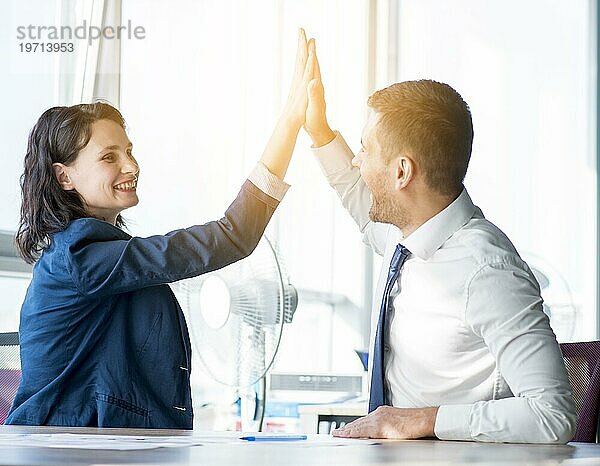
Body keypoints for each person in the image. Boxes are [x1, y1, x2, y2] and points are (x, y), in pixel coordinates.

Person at [7, 29, 317, 429]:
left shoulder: (90, 252)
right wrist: (291, 122)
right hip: (65, 447)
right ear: (64, 177)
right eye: (109, 157)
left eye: (129, 151)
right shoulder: (81, 257)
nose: (131, 166)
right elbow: (232, 236)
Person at [302, 55, 577, 443]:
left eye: (365, 150)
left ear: (402, 172)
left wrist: (422, 420)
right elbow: (357, 199)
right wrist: (319, 130)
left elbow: (552, 414)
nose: (356, 161)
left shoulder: (488, 271)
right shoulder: (405, 238)